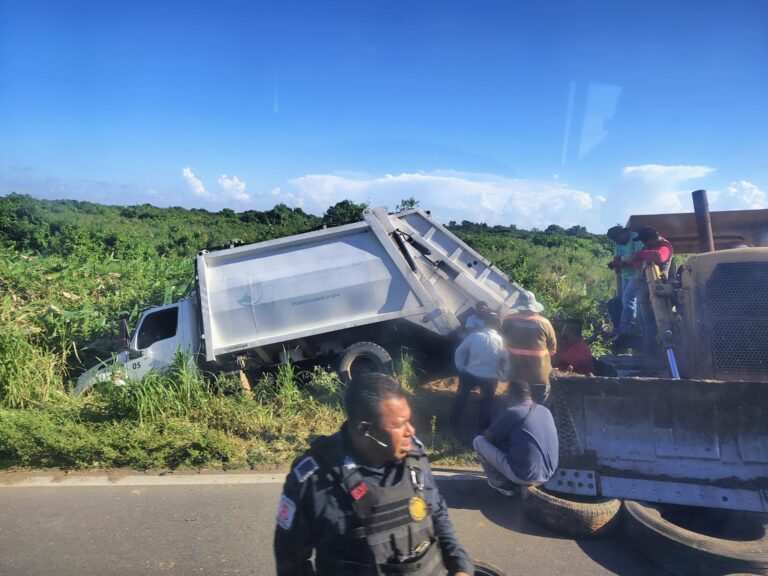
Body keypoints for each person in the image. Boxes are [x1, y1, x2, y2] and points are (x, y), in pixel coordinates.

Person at [274, 372, 473, 576]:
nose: (411, 431)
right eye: (398, 425)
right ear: (364, 429)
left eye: (409, 420)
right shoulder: (312, 478)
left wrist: (460, 566)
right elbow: (291, 561)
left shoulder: (413, 455)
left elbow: (437, 512)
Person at [473, 379, 559, 496]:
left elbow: (488, 437)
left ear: (512, 395)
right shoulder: (545, 411)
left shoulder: (513, 412)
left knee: (478, 441)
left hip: (525, 476)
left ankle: (501, 484)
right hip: (549, 474)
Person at [451, 312, 510, 432]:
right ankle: (483, 430)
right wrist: (504, 376)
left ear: (484, 324)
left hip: (470, 373)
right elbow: (508, 360)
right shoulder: (502, 341)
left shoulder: (474, 336)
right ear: (498, 325)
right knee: (486, 404)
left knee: (461, 398)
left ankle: (453, 422)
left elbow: (459, 351)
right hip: (490, 377)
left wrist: (460, 366)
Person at [501, 291, 557, 404]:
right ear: (534, 306)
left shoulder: (508, 320)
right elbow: (553, 349)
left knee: (516, 404)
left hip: (516, 374)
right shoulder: (544, 322)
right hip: (539, 376)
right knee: (539, 405)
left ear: (519, 305)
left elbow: (503, 344)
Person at [630, 226, 674, 359]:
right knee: (643, 320)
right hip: (644, 289)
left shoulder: (664, 246)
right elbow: (637, 263)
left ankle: (653, 353)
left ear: (649, 240)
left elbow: (659, 256)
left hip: (655, 292)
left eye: (643, 241)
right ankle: (647, 350)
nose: (643, 244)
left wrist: (639, 255)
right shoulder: (648, 249)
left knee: (652, 321)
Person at [606, 225, 644, 336]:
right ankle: (627, 324)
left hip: (637, 274)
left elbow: (639, 257)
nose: (618, 242)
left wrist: (622, 264)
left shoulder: (635, 238)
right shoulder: (618, 243)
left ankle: (626, 326)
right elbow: (616, 258)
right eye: (615, 241)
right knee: (624, 300)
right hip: (625, 274)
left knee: (628, 298)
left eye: (618, 239)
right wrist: (615, 264)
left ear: (623, 233)